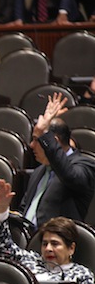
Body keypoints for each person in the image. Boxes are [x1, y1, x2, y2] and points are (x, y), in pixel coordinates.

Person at [0, 178, 95, 284]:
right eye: (45, 244)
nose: (48, 249)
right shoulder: (31, 262)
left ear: (71, 248)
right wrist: (2, 209)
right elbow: (3, 244)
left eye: (55, 244)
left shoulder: (82, 276)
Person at [18, 93, 95, 228]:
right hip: (28, 242)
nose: (31, 146)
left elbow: (69, 175)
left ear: (55, 142)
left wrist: (45, 134)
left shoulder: (84, 165)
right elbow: (24, 209)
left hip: (56, 243)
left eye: (36, 140)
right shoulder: (38, 171)